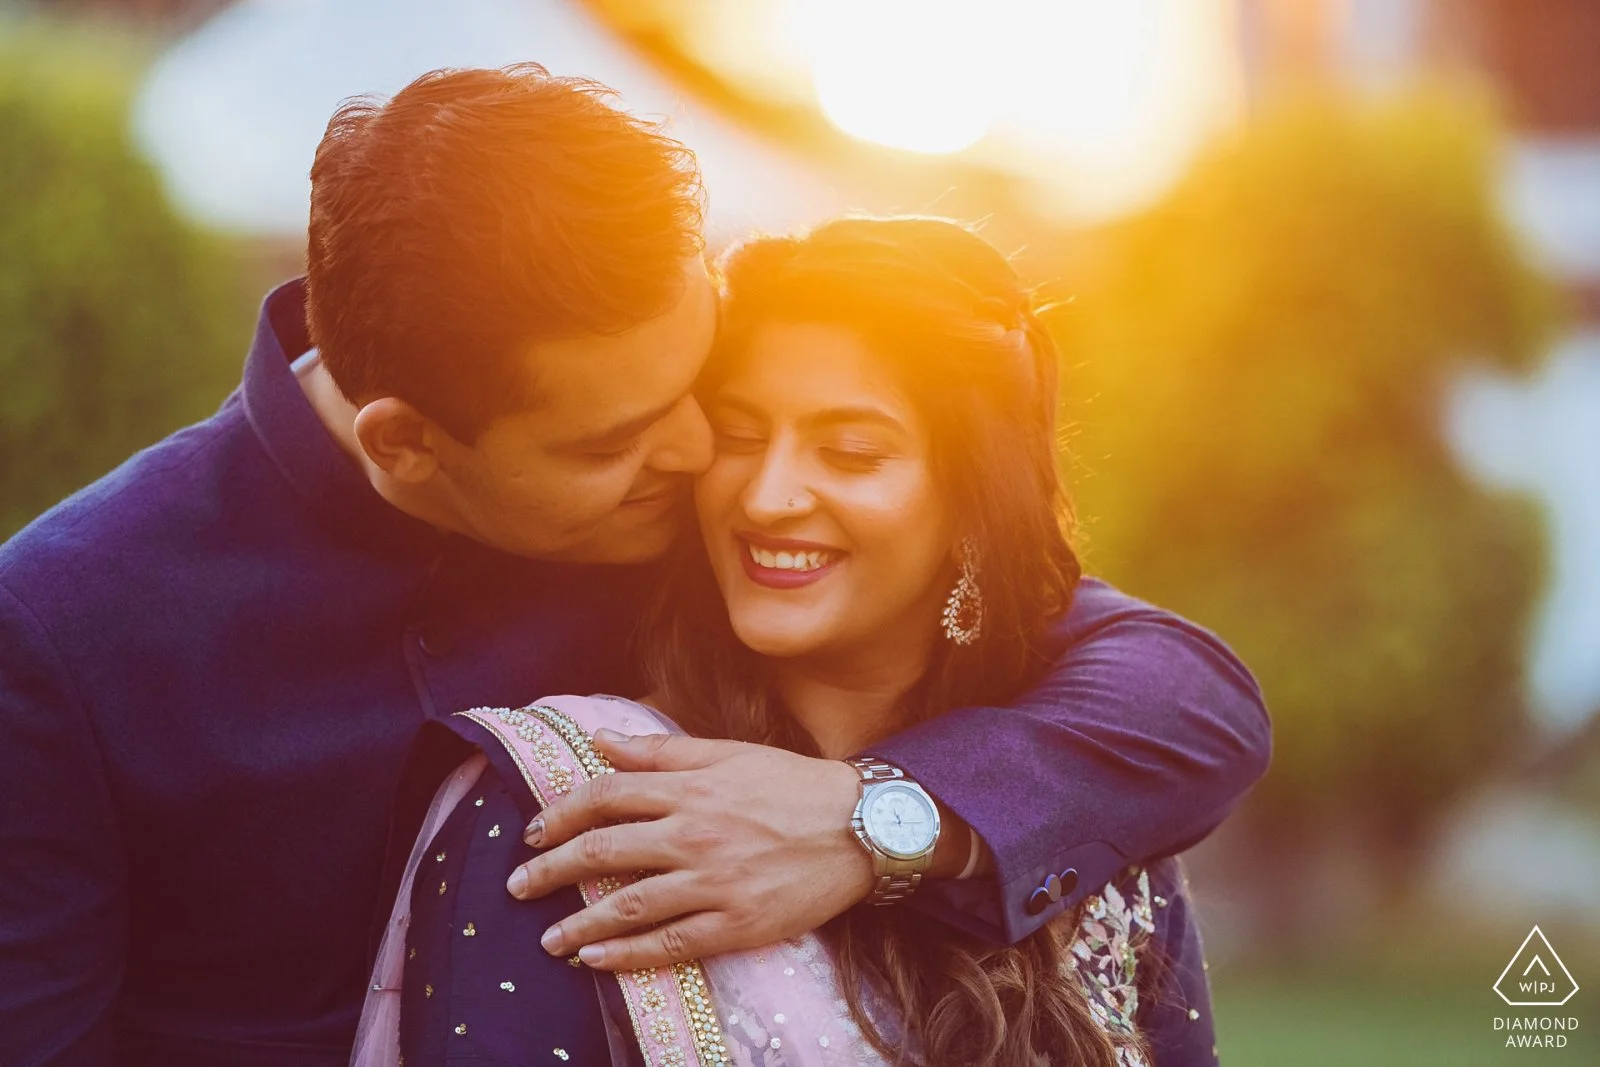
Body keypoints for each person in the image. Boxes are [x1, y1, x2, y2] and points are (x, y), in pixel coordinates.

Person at [0, 66, 1267, 1067]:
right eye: (615, 437)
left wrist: (874, 816)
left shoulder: (709, 517)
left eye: (697, 384)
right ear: (408, 443)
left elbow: (1183, 692)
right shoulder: (62, 628)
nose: (703, 458)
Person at [357, 216, 1230, 1067]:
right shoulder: (576, 800)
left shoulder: (1079, 827)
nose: (768, 496)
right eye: (739, 435)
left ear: (976, 503)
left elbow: (1208, 692)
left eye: (850, 451)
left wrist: (867, 823)